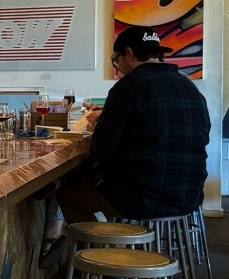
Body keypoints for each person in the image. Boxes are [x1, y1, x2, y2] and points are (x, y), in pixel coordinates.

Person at [55, 24, 210, 227]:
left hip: (141, 199)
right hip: (189, 195)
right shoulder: (189, 87)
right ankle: (115, 241)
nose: (118, 67)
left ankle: (105, 247)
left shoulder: (129, 86)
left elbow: (102, 149)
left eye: (116, 60)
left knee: (68, 193)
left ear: (128, 54)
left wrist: (98, 127)